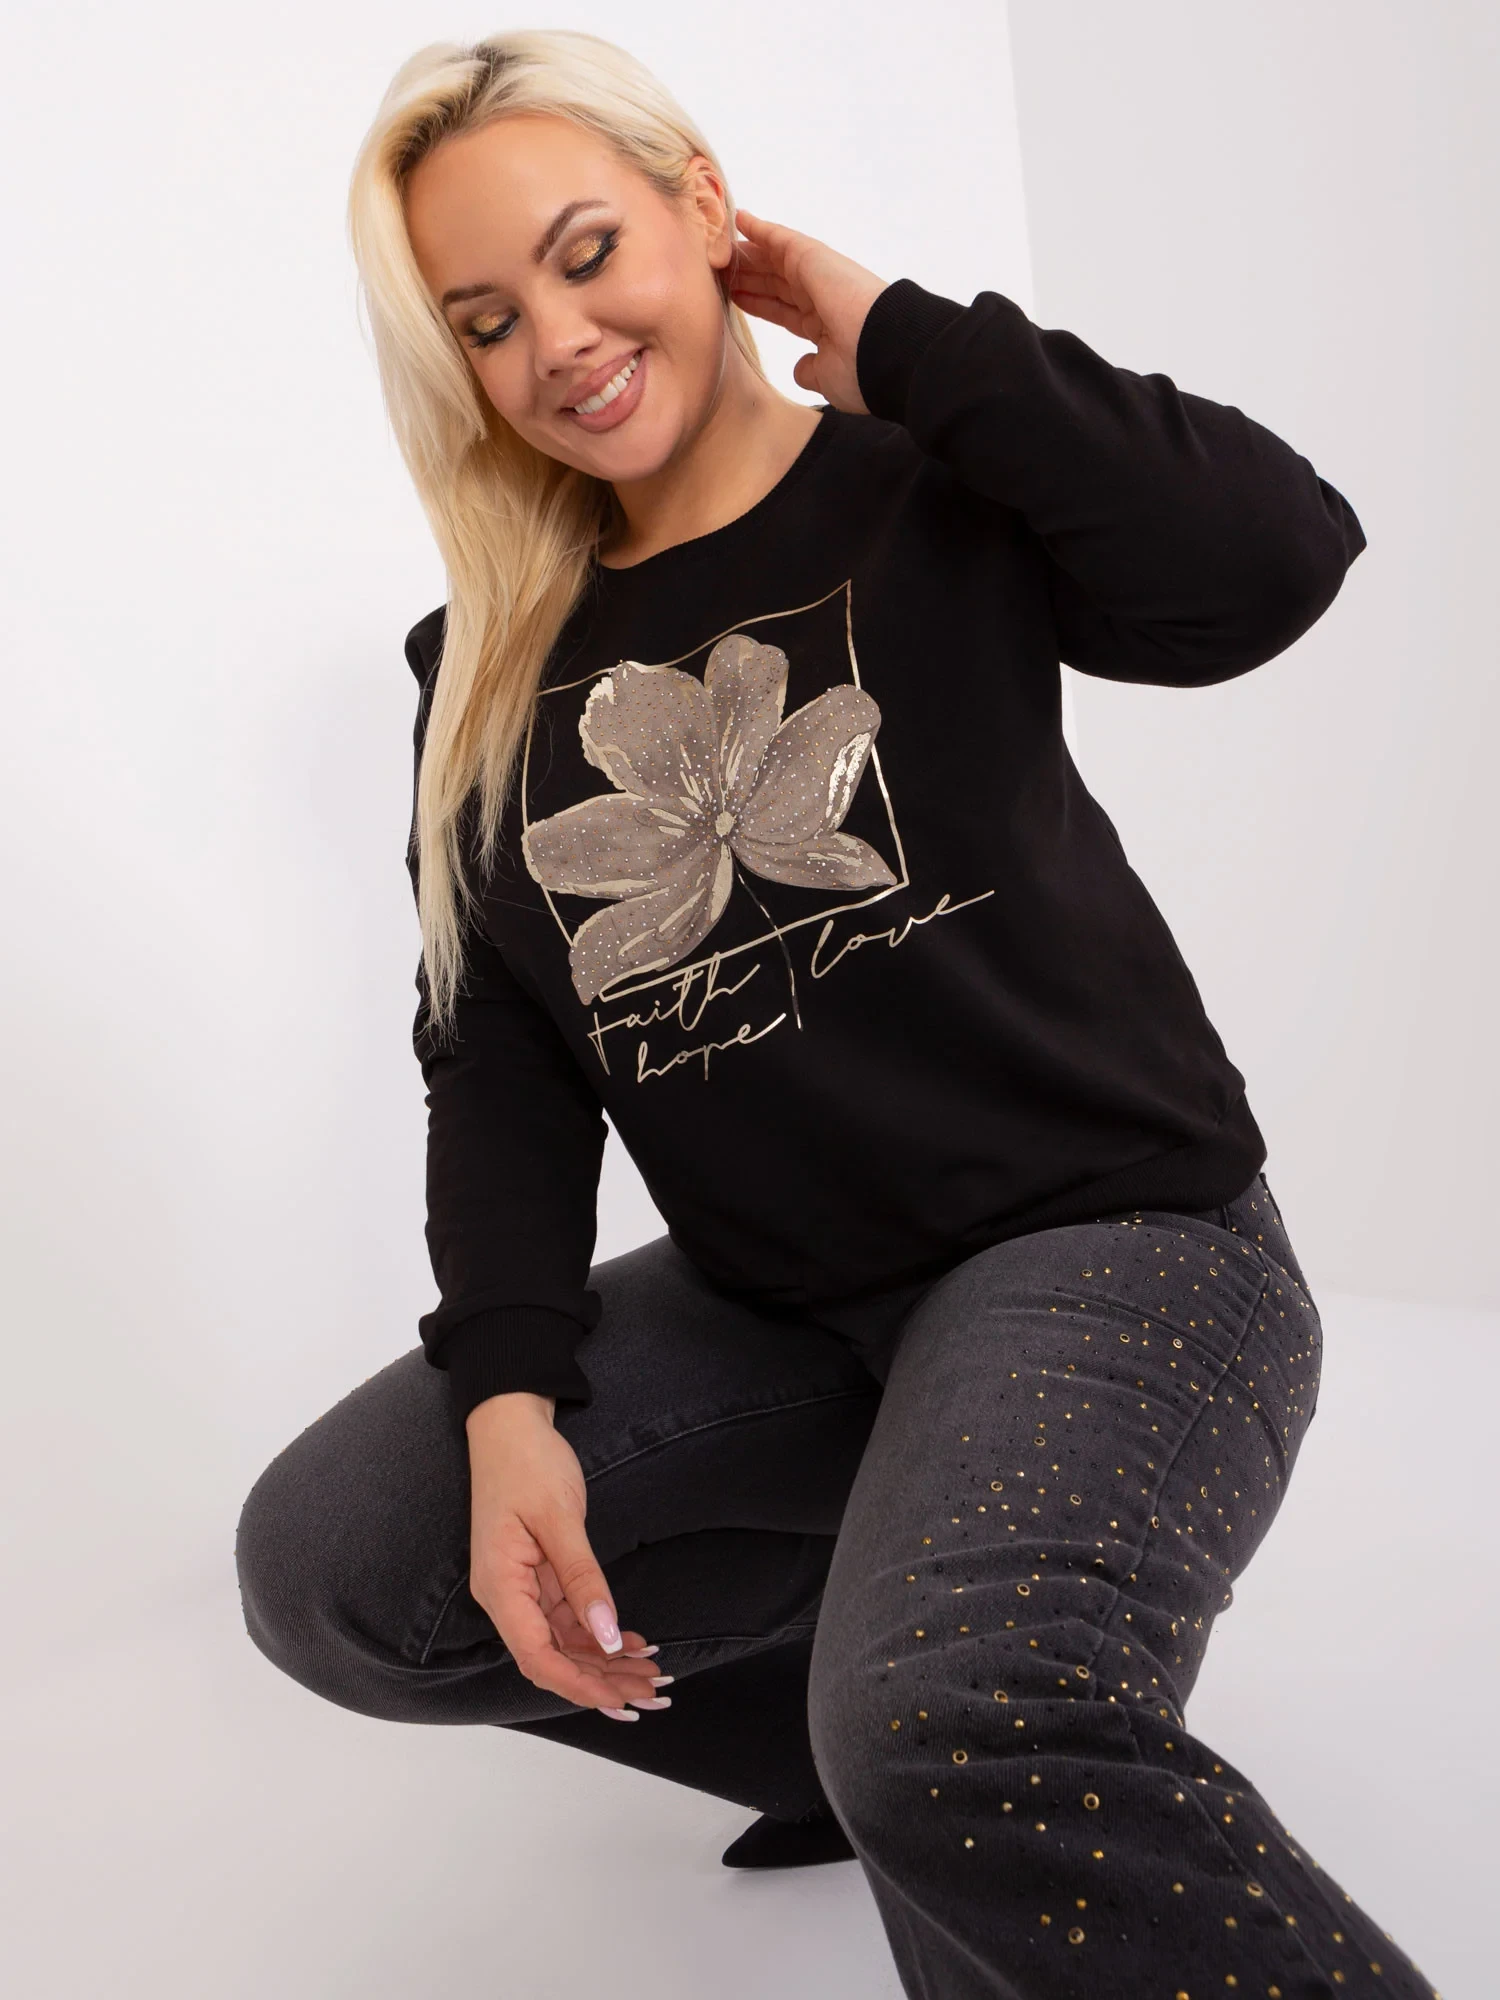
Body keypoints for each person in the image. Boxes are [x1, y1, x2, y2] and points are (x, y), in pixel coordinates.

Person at [235, 28, 1440, 1999]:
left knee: (947, 1721)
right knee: (338, 1568)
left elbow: (1275, 560)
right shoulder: (484, 663)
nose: (557, 339)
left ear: (703, 206)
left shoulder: (924, 484)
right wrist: (512, 1397)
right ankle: (863, 1722)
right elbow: (503, 1066)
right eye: (485, 319)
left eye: (587, 251)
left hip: (1113, 1246)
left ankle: (933, 1720)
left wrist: (894, 332)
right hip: (795, 1319)